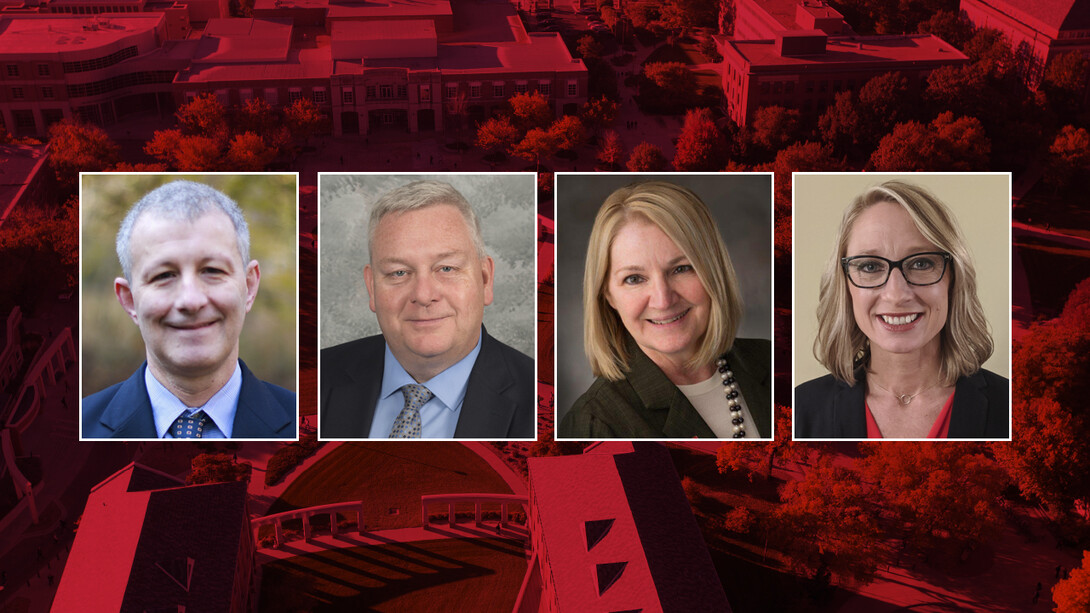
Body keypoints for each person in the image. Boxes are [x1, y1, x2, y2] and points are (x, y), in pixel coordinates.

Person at [320, 180, 535, 439]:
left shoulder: (541, 400)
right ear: (372, 287)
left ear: (485, 279)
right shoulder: (316, 381)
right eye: (399, 272)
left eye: (447, 268)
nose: (423, 295)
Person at [795, 181, 1009, 439]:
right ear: (844, 286)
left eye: (920, 263)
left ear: (953, 279)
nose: (896, 295)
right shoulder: (799, 410)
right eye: (870, 267)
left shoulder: (1013, 408)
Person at [83, 181, 296, 439]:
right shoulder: (75, 432)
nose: (191, 300)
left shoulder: (313, 427)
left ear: (249, 286)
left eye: (212, 271)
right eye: (164, 275)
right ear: (129, 301)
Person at [559, 181, 771, 439]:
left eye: (681, 269)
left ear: (714, 271)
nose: (663, 300)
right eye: (634, 278)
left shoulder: (772, 363)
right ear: (608, 295)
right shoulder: (595, 423)